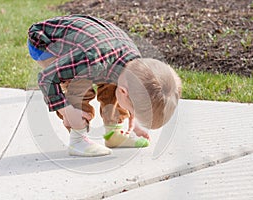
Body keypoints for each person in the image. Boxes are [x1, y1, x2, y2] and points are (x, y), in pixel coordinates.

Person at [27, 14, 181, 157]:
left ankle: (113, 133)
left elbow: (132, 93)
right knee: (79, 86)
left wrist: (134, 122)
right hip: (44, 41)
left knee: (112, 81)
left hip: (93, 44)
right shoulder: (90, 61)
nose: (131, 112)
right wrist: (66, 109)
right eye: (131, 110)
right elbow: (47, 78)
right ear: (124, 91)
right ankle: (77, 139)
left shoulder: (134, 66)